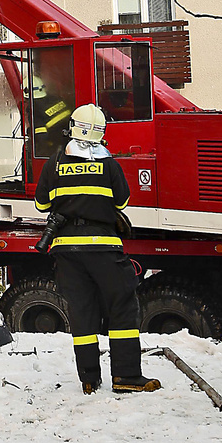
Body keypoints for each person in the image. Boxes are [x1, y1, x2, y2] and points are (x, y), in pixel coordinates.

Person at [34, 103, 161, 396]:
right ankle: (127, 376)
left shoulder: (53, 163)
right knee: (122, 308)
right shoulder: (109, 164)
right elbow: (122, 203)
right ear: (102, 133)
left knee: (82, 312)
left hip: (66, 250)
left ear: (72, 128)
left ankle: (89, 379)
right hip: (104, 248)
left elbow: (42, 205)